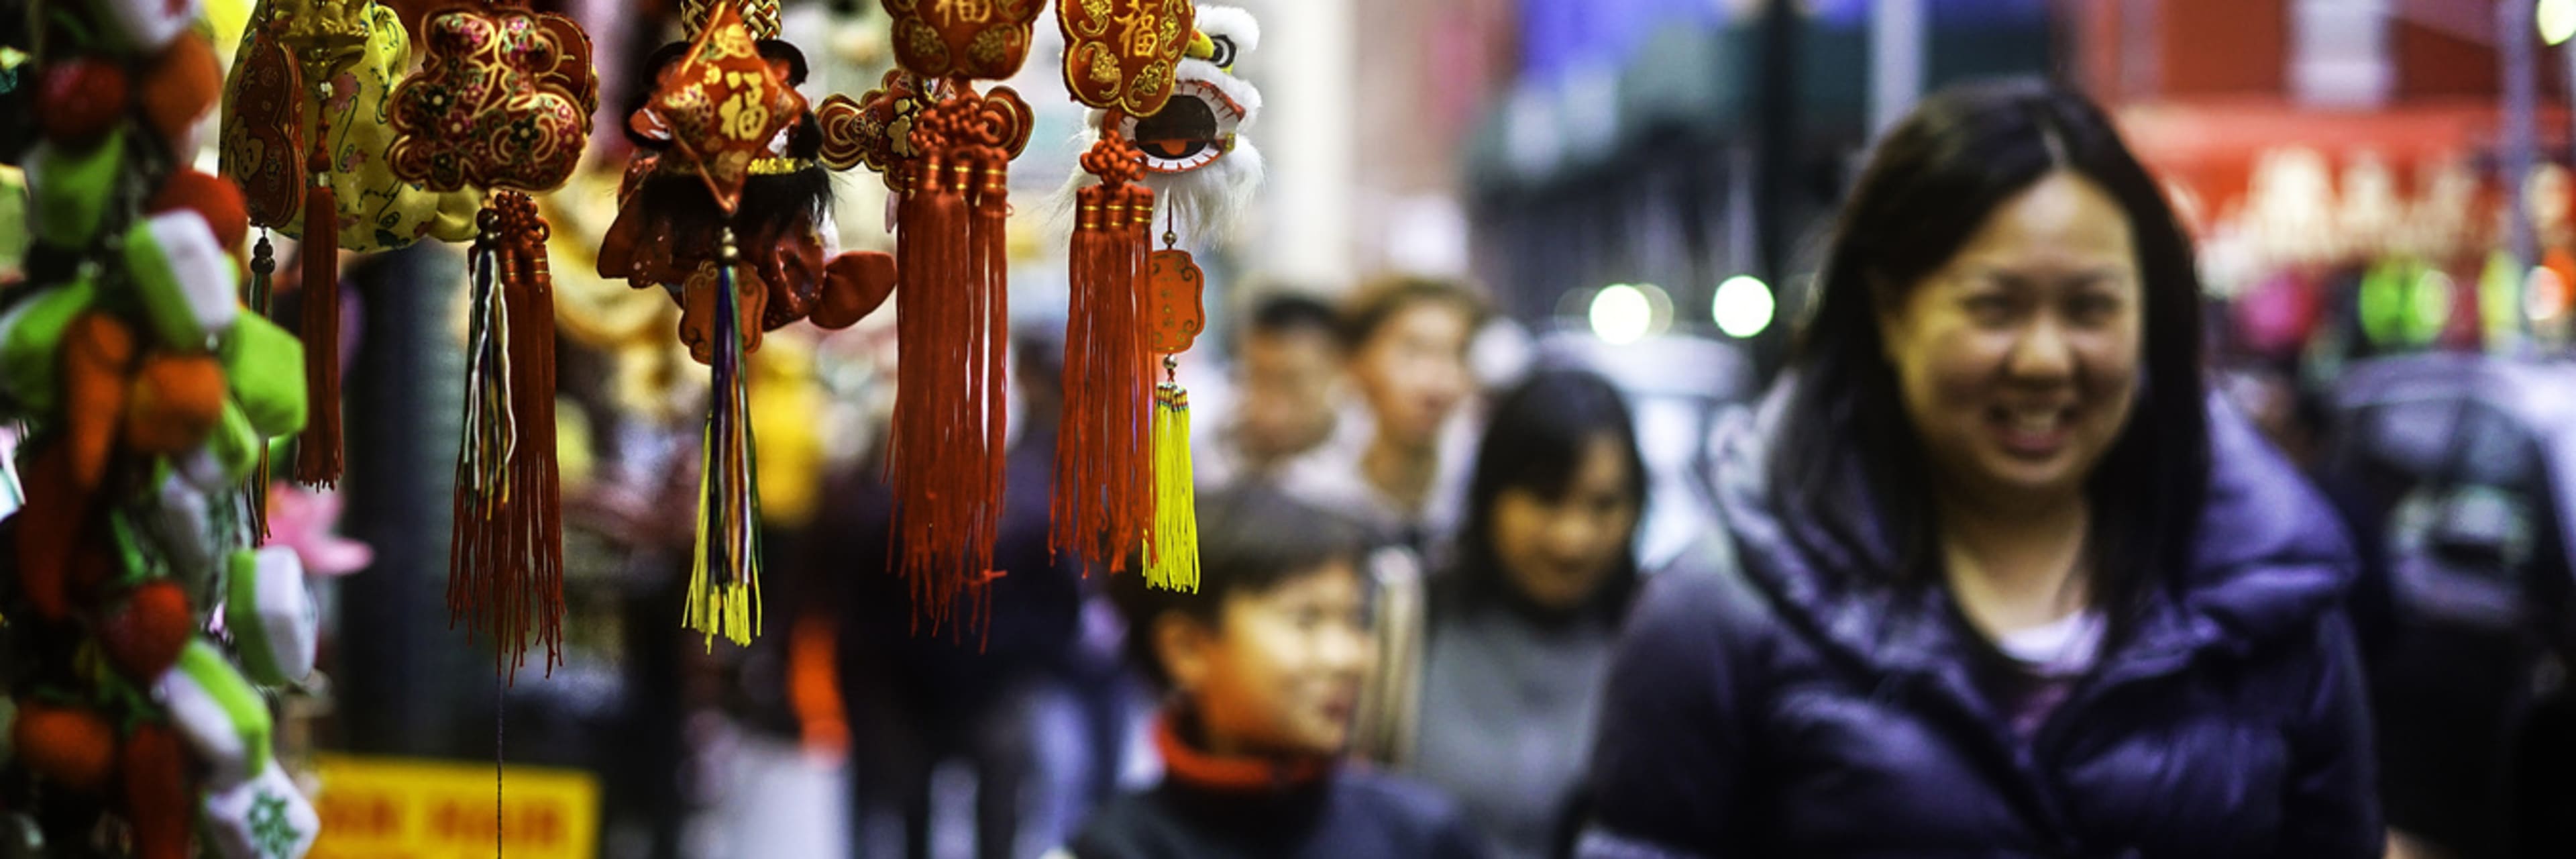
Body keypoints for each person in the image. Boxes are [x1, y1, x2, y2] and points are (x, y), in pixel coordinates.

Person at [1581, 79, 2381, 857]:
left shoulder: (2272, 601)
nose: (2043, 359)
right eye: (1994, 307)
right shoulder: (1721, 614)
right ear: (1890, 312)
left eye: (2090, 308)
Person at [1070, 487, 1488, 859]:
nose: (1350, 658)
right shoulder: (1115, 848)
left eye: (1356, 619)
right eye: (1306, 619)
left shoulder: (1420, 835)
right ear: (1188, 649)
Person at [1389, 368, 1648, 859]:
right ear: (1490, 495)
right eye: (1546, 498)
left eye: (1603, 505)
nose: (1573, 538)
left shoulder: (1659, 643)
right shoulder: (1410, 618)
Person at [1271, 276, 1487, 562]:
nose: (1439, 382)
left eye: (1458, 353)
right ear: (1354, 363)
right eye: (1414, 352)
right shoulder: (1307, 498)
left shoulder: (1484, 487)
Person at [1196, 292, 1347, 488]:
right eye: (1257, 377)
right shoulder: (1208, 451)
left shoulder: (1364, 469)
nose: (1273, 407)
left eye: (1292, 383)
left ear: (1339, 370)